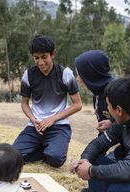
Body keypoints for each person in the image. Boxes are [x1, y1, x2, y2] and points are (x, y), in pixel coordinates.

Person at [13, 35, 82, 168]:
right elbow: (24, 103)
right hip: (35, 127)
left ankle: (49, 149)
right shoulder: (28, 75)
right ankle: (42, 150)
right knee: (14, 157)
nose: (40, 62)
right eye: (36, 58)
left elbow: (78, 104)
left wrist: (53, 119)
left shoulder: (65, 73)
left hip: (59, 126)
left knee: (55, 159)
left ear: (53, 54)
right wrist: (33, 119)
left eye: (44, 57)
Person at [75, 50, 125, 192]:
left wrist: (113, 123)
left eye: (80, 74)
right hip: (120, 145)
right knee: (96, 156)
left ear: (91, 74)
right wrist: (86, 159)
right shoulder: (97, 92)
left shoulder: (117, 92)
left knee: (98, 160)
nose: (78, 79)